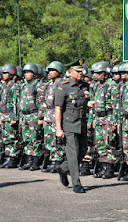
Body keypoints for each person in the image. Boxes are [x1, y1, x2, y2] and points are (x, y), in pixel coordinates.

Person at [55, 59, 90, 193]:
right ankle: (77, 184)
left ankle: (63, 169)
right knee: (73, 154)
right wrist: (58, 128)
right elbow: (58, 109)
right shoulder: (63, 87)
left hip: (81, 123)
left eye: (82, 71)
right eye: (78, 71)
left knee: (82, 151)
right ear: (70, 73)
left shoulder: (85, 86)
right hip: (69, 124)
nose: (81, 73)